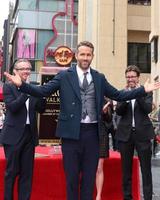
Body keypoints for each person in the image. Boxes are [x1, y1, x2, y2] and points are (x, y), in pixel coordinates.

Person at [4, 41, 160, 200]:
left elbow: (118, 95)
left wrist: (142, 90)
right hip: (70, 135)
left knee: (88, 180)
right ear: (76, 56)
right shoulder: (65, 75)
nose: (85, 57)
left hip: (92, 134)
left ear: (92, 56)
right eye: (82, 54)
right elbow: (43, 90)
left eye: (89, 54)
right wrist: (22, 85)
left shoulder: (99, 78)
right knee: (71, 180)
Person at [0, 59, 46, 200]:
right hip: (13, 135)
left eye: (28, 68)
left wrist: (41, 96)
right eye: (23, 68)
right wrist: (26, 92)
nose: (27, 71)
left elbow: (41, 109)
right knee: (12, 172)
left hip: (29, 134)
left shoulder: (33, 87)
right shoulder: (8, 87)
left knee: (27, 173)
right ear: (15, 71)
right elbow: (13, 107)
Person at [115, 65, 154, 200]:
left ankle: (148, 197)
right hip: (126, 135)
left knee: (146, 170)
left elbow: (148, 108)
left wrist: (137, 94)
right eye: (128, 77)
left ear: (138, 78)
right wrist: (126, 96)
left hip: (143, 134)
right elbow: (119, 111)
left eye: (133, 76)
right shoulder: (122, 92)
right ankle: (127, 197)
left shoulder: (147, 91)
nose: (130, 79)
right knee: (126, 171)